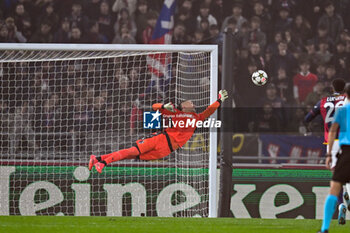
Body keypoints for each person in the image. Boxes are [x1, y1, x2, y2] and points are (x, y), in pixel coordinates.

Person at [88, 90, 228, 173]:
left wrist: (219, 100)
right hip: (161, 139)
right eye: (190, 102)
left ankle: (97, 158)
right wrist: (163, 105)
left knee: (131, 156)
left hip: (166, 150)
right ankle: (103, 163)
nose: (193, 104)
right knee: (132, 151)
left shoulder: (197, 117)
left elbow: (209, 111)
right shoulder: (174, 111)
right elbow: (155, 107)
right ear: (183, 106)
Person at [304, 79, 350, 226]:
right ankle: (347, 197)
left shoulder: (322, 101)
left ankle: (341, 203)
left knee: (336, 177)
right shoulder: (347, 100)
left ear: (332, 88)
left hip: (331, 143)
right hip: (346, 140)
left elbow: (307, 118)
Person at [317, 84, 350, 233]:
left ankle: (324, 229)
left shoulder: (342, 111)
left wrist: (329, 154)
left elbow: (332, 132)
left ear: (346, 95)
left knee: (334, 189)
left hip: (346, 152)